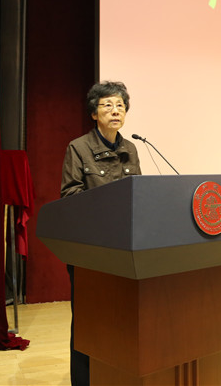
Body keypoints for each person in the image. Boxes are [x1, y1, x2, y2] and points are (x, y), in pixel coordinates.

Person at [60, 80, 141, 386]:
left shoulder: (131, 148)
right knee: (89, 321)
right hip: (91, 251)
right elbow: (70, 197)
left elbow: (139, 196)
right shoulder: (78, 148)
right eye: (108, 105)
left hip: (126, 249)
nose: (115, 110)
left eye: (120, 105)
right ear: (94, 113)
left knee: (122, 317)